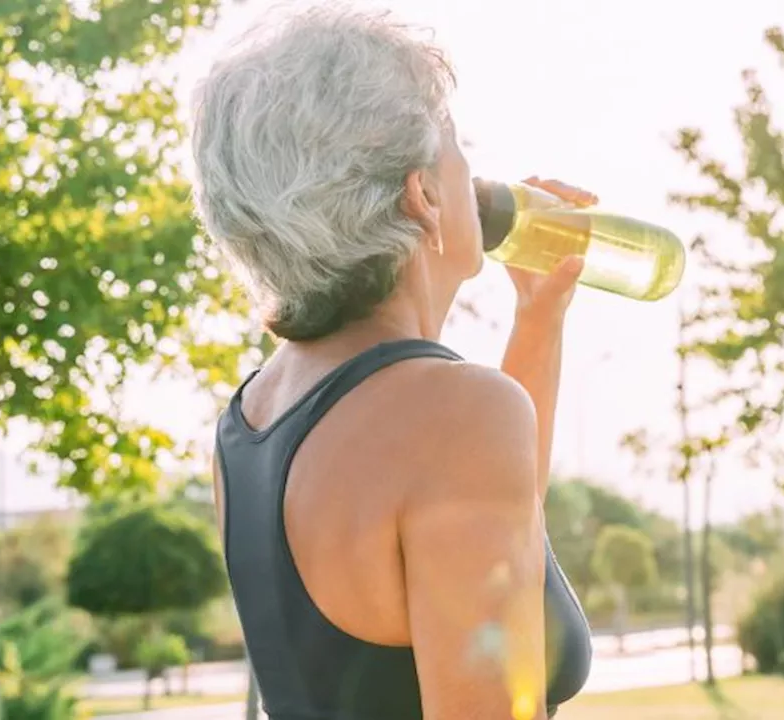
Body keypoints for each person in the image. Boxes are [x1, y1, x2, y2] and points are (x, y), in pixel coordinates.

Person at [189, 3, 592, 719]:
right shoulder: (455, 416)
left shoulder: (248, 421)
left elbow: (487, 533)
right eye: (458, 150)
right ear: (424, 196)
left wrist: (538, 321)